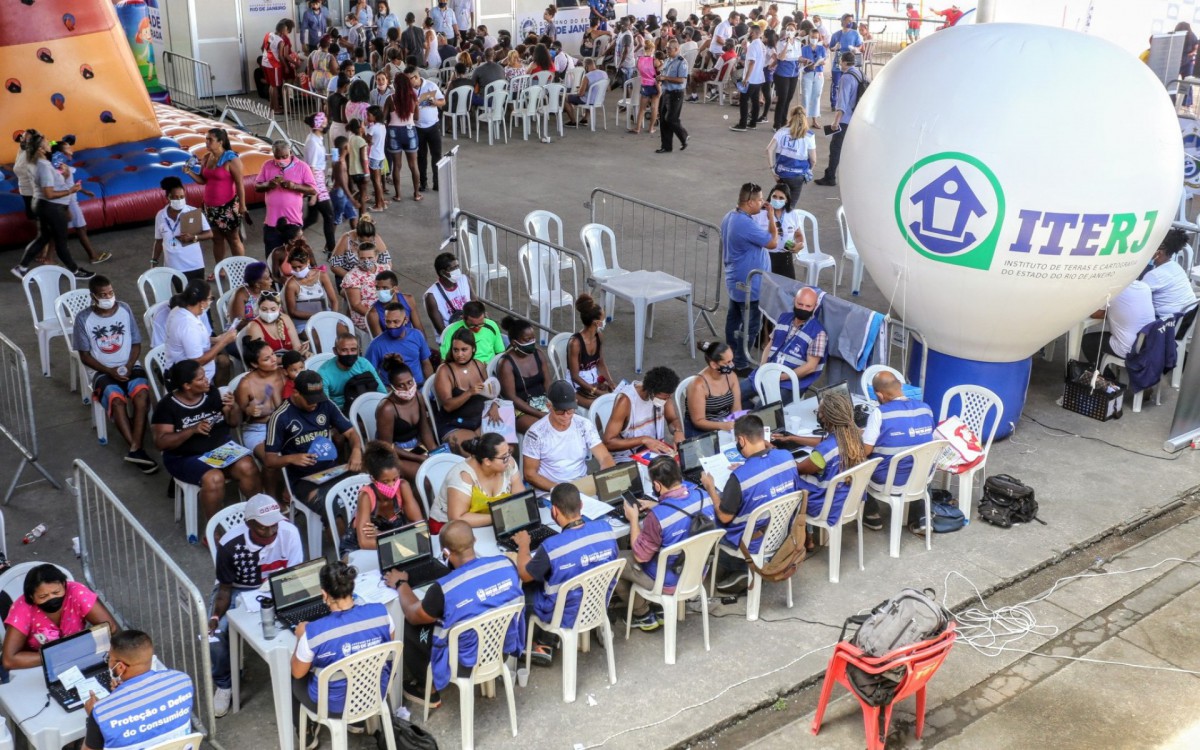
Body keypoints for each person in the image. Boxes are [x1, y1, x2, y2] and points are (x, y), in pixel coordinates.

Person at [387, 520, 521, 707]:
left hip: (463, 662)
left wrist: (401, 584)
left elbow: (412, 613)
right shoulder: (506, 564)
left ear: (445, 553)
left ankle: (428, 688)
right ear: (474, 540)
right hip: (501, 648)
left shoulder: (443, 589)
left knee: (408, 624)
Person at [208, 493, 304, 716]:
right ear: (249, 524)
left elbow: (294, 575)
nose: (271, 532)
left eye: (274, 525)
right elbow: (224, 589)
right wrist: (214, 617)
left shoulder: (289, 532)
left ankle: (298, 670)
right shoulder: (229, 545)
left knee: (297, 619)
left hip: (279, 584)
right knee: (217, 631)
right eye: (264, 528)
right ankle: (224, 684)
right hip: (238, 588)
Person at [289, 562, 392, 748]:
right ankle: (358, 722)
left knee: (295, 677)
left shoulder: (313, 633)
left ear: (324, 594)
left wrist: (299, 637)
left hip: (334, 705)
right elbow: (388, 645)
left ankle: (306, 734)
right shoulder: (381, 613)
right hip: (376, 691)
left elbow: (297, 672)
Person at [514, 482, 618, 664]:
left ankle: (537, 644)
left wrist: (523, 545)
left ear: (554, 511)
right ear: (582, 506)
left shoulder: (551, 547)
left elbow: (525, 574)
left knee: (522, 590)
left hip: (562, 614)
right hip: (597, 604)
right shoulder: (606, 530)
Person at [152, 357, 261, 524]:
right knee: (214, 478)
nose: (206, 381)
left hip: (219, 449)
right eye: (201, 378)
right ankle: (214, 529)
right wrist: (192, 430)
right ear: (187, 386)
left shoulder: (211, 392)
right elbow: (161, 442)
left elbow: (233, 422)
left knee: (248, 466)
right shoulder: (167, 406)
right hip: (185, 457)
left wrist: (234, 407)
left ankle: (258, 516)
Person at [614, 456, 713, 631]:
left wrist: (634, 520)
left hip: (668, 581)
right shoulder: (703, 495)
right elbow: (681, 511)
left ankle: (642, 614)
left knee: (615, 562)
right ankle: (658, 609)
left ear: (657, 486)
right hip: (698, 572)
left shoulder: (657, 517)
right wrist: (657, 505)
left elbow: (640, 556)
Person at [703, 414, 799, 592]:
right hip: (783, 532)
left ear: (741, 440)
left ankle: (740, 568)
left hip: (751, 542)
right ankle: (746, 569)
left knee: (708, 520)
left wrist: (710, 488)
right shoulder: (787, 457)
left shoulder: (739, 478)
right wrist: (748, 466)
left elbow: (724, 517)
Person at [73, 275, 158, 472]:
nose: (108, 297)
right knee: (116, 400)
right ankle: (137, 448)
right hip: (101, 371)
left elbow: (136, 343)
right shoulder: (83, 318)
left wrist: (129, 365)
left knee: (142, 395)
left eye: (110, 293)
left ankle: (135, 449)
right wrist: (108, 370)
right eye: (103, 295)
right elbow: (85, 356)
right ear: (93, 296)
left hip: (129, 365)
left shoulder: (125, 309)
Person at [265, 369, 364, 515]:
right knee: (333, 510)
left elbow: (351, 432)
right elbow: (269, 460)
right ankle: (343, 538)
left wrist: (356, 450)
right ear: (296, 393)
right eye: (310, 400)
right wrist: (292, 458)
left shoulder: (325, 404)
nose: (315, 404)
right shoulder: (280, 417)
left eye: (318, 398)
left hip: (333, 470)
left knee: (368, 492)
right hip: (302, 480)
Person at [83, 630, 194, 750]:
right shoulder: (182, 681)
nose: (108, 662)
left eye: (109, 658)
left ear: (120, 666)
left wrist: (93, 716)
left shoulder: (102, 712)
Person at [2, 564, 118, 670]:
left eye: (56, 592)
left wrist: (81, 648)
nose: (51, 598)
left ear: (64, 585)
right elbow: (9, 660)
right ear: (31, 596)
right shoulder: (22, 609)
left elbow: (110, 627)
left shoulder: (76, 592)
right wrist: (57, 655)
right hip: (37, 665)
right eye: (43, 596)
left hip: (78, 656)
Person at [12, 130, 94, 279]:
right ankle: (75, 272)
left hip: (41, 204)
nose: (49, 143)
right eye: (46, 142)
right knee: (61, 241)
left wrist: (62, 175)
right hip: (52, 207)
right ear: (40, 148)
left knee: (43, 238)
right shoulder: (43, 165)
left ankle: (22, 267)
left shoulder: (33, 161)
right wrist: (71, 190)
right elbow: (49, 193)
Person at [861, 371, 935, 529]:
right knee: (918, 456)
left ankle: (871, 514)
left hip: (890, 481)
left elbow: (864, 452)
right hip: (922, 478)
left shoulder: (879, 413)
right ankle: (920, 517)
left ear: (879, 395)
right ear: (900, 386)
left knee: (856, 462)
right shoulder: (925, 408)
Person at [722, 183, 779, 374]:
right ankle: (741, 363)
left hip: (735, 278)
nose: (763, 202)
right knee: (750, 324)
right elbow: (772, 242)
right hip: (749, 284)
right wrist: (771, 218)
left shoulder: (731, 216)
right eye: (760, 199)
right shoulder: (744, 223)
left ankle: (728, 356)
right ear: (750, 202)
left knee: (734, 318)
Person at [523, 380, 615, 494]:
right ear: (549, 406)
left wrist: (607, 475)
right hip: (551, 490)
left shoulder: (584, 425)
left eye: (570, 410)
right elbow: (530, 474)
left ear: (575, 403)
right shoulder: (535, 434)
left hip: (581, 485)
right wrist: (560, 490)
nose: (566, 416)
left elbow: (605, 457)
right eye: (560, 411)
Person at [795, 390, 869, 531]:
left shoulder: (824, 451)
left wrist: (782, 456)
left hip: (825, 507)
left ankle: (801, 536)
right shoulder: (856, 438)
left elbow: (799, 469)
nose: (818, 415)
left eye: (819, 412)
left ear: (827, 418)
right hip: (849, 500)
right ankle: (808, 537)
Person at [742, 287, 826, 405]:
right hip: (769, 371)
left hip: (791, 383)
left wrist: (782, 377)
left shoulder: (818, 332)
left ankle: (753, 417)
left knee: (764, 410)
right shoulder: (784, 318)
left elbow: (811, 366)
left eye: (808, 306)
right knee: (734, 395)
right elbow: (770, 345)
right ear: (794, 301)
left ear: (815, 306)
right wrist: (763, 367)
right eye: (800, 304)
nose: (803, 308)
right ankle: (744, 416)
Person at [342, 442, 422, 554]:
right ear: (374, 480)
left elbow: (419, 525)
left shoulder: (403, 487)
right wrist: (402, 541)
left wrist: (381, 535)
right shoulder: (365, 497)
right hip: (359, 548)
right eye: (385, 482)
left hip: (389, 544)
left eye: (395, 479)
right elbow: (365, 543)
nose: (392, 485)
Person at [182, 128, 248, 265]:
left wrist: (242, 205)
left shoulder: (231, 160)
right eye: (206, 139)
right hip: (209, 207)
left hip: (227, 206)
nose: (206, 142)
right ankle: (221, 269)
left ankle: (241, 268)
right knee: (216, 239)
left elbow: (239, 183)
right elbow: (203, 180)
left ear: (220, 142)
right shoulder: (206, 158)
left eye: (210, 139)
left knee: (233, 238)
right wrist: (189, 172)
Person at [431, 432, 521, 531]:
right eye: (504, 457)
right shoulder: (463, 476)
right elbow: (457, 518)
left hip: (492, 524)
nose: (509, 459)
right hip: (450, 530)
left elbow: (520, 498)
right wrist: (499, 517)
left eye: (509, 452)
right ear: (487, 461)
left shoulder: (509, 464)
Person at [234, 339, 286, 495]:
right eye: (266, 358)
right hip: (258, 430)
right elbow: (237, 420)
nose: (273, 360)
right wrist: (247, 411)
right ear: (254, 364)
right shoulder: (245, 384)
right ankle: (270, 498)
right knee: (271, 460)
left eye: (273, 355)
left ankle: (289, 490)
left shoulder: (283, 373)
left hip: (284, 425)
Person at [603, 367, 685, 461]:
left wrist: (678, 431)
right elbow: (608, 442)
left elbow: (672, 419)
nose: (668, 399)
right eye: (665, 396)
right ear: (651, 391)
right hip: (627, 457)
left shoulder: (664, 394)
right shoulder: (626, 401)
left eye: (669, 396)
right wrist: (643, 440)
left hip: (655, 452)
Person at [375, 360, 438, 480]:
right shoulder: (387, 409)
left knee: (439, 469)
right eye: (401, 385)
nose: (407, 388)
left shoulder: (418, 396)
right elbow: (387, 446)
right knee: (426, 479)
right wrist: (419, 458)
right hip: (394, 454)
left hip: (416, 446)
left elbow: (425, 430)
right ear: (391, 387)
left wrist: (434, 452)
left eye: (409, 382)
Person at [165, 279, 237, 384]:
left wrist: (216, 340)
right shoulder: (188, 325)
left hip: (192, 375)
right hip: (189, 383)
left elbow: (192, 341)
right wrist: (224, 342)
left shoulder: (182, 310)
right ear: (202, 302)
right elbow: (197, 361)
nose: (210, 302)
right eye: (210, 299)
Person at [256, 140, 319, 253]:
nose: (281, 160)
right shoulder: (267, 165)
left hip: (293, 223)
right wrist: (268, 185)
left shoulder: (302, 167)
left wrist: (294, 186)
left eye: (284, 156)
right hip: (272, 223)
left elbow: (313, 190)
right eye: (278, 157)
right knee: (272, 256)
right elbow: (257, 186)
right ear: (273, 154)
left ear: (290, 152)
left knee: (294, 257)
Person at [432, 328, 489, 447]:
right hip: (455, 424)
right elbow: (448, 406)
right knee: (475, 451)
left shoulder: (479, 365)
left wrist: (493, 406)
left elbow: (490, 393)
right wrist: (469, 393)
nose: (459, 354)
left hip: (479, 420)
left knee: (503, 445)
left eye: (464, 350)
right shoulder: (445, 370)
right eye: (455, 350)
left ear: (473, 348)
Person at [496, 316, 552, 433]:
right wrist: (539, 413)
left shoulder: (539, 354)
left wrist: (552, 402)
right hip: (520, 410)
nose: (532, 342)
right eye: (527, 340)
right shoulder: (506, 364)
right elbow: (511, 397)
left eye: (533, 338)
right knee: (543, 430)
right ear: (514, 343)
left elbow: (547, 382)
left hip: (543, 403)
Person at [815, 52, 862, 187]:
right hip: (857, 118)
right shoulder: (860, 74)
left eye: (841, 61)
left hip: (845, 120)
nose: (839, 63)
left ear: (846, 63)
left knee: (836, 148)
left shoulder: (846, 78)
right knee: (850, 149)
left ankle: (830, 177)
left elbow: (842, 103)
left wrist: (836, 122)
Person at [1082, 280, 1157, 365]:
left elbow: (1095, 315)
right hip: (1149, 343)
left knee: (1087, 341)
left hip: (1128, 348)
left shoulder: (1113, 290)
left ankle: (1105, 376)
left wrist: (1113, 313)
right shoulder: (1145, 287)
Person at [152, 176, 211, 282]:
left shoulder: (192, 212)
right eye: (175, 197)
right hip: (173, 267)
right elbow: (159, 240)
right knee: (182, 295)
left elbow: (210, 233)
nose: (179, 200)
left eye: (182, 197)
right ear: (167, 197)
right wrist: (154, 261)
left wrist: (194, 237)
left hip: (194, 265)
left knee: (197, 296)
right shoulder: (160, 216)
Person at [366, 302, 433, 385]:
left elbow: (426, 363)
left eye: (396, 322)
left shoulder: (417, 335)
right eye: (388, 322)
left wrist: (430, 386)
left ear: (406, 320)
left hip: (419, 387)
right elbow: (369, 373)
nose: (391, 326)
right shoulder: (376, 345)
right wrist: (384, 390)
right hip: (393, 392)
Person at [567, 294, 615, 408]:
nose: (604, 322)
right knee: (602, 407)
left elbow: (600, 362)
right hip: (576, 387)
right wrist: (596, 392)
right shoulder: (575, 343)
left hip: (593, 381)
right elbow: (575, 377)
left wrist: (611, 381)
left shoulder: (599, 336)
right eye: (602, 319)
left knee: (621, 398)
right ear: (596, 323)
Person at [317, 332, 387, 411]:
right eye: (344, 350)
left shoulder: (364, 364)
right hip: (340, 411)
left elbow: (382, 393)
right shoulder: (324, 373)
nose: (349, 354)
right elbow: (324, 405)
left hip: (366, 406)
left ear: (359, 350)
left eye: (353, 350)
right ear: (335, 351)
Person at [686, 341, 741, 436]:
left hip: (725, 423)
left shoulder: (731, 377)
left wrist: (735, 422)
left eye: (732, 360)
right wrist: (722, 426)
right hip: (701, 430)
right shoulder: (698, 385)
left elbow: (736, 409)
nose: (732, 365)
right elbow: (698, 421)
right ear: (714, 365)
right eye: (728, 362)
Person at [282, 242, 338, 335]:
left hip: (325, 316)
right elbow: (292, 312)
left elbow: (334, 301)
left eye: (300, 267)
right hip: (304, 323)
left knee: (343, 334)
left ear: (308, 262)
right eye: (294, 267)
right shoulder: (291, 285)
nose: (297, 270)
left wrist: (333, 318)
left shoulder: (321, 275)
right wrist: (317, 316)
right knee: (319, 339)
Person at [767, 106, 816, 210]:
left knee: (778, 201)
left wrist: (772, 170)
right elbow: (813, 159)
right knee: (790, 206)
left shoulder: (781, 131)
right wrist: (809, 170)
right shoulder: (809, 135)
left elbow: (769, 149)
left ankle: (774, 220)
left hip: (781, 173)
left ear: (791, 116)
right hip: (798, 176)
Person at [384, 70, 422, 203]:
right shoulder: (413, 97)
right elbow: (416, 117)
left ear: (396, 85)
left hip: (394, 132)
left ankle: (398, 195)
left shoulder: (390, 98)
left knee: (397, 166)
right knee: (413, 165)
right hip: (410, 131)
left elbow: (384, 117)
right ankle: (416, 194)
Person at [756, 182, 806, 278]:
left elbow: (798, 234)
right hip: (766, 257)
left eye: (781, 198)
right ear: (770, 197)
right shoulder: (759, 214)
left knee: (787, 290)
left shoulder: (792, 214)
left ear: (787, 200)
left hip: (785, 257)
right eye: (774, 196)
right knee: (767, 289)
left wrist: (800, 244)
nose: (777, 200)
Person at [1143, 229, 1197, 317]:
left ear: (1158, 253)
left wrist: (1147, 263)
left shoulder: (1154, 275)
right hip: (1188, 319)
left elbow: (1137, 292)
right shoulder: (1176, 267)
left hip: (1168, 324)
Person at [424, 252, 475, 345]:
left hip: (472, 330)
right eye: (453, 268)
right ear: (442, 272)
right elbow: (441, 330)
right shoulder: (431, 296)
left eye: (458, 266)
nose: (457, 270)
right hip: (451, 339)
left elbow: (476, 306)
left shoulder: (464, 280)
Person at [411, 65, 446, 193]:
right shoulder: (409, 90)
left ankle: (437, 182)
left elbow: (443, 101)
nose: (409, 83)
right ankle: (423, 182)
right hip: (417, 127)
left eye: (410, 79)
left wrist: (435, 102)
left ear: (416, 77)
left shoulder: (431, 86)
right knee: (421, 156)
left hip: (433, 126)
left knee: (436, 155)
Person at [244, 289, 307, 358]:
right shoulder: (254, 326)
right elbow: (264, 359)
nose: (269, 313)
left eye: (273, 309)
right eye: (264, 309)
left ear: (279, 308)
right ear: (258, 308)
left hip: (292, 362)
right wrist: (292, 358)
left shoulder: (285, 319)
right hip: (273, 366)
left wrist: (305, 352)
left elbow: (297, 347)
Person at [439, 300, 505, 363]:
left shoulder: (491, 325)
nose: (477, 329)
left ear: (484, 316)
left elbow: (500, 352)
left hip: (490, 368)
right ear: (463, 318)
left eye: (481, 324)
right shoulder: (452, 331)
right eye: (472, 326)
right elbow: (445, 360)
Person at [330, 214, 391, 281]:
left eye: (370, 241)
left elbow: (387, 262)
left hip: (372, 276)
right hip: (348, 275)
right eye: (362, 241)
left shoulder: (377, 239)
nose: (367, 243)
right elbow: (334, 266)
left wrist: (377, 278)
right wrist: (354, 278)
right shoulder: (346, 239)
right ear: (357, 234)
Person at [343, 242, 388, 333]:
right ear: (358, 258)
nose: (366, 261)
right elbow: (356, 305)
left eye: (370, 257)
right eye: (362, 258)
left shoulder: (385, 269)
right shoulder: (352, 276)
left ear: (376, 257)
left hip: (386, 311)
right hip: (365, 315)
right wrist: (379, 316)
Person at [729, 24, 767, 132]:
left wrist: (746, 79)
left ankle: (742, 124)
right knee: (755, 101)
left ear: (754, 33)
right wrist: (746, 48)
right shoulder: (761, 44)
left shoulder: (754, 45)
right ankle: (752, 123)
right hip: (759, 78)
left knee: (744, 100)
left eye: (749, 32)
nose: (748, 34)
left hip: (752, 78)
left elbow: (752, 62)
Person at [656, 38, 690, 153]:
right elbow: (664, 73)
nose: (667, 50)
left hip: (676, 94)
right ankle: (666, 146)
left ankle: (683, 135)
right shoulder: (667, 60)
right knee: (663, 120)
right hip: (665, 92)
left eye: (669, 49)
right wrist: (660, 78)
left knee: (671, 118)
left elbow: (681, 79)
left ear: (676, 49)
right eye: (666, 48)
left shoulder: (682, 62)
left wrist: (665, 78)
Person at [771, 22, 803, 130]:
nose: (790, 31)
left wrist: (806, 61)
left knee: (788, 98)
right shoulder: (781, 42)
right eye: (788, 29)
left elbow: (798, 56)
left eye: (792, 29)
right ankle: (777, 124)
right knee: (782, 98)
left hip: (794, 74)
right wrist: (787, 45)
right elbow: (781, 57)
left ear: (795, 31)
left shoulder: (798, 42)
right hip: (782, 74)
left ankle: (784, 120)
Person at [829, 14, 862, 110]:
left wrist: (855, 49)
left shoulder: (855, 34)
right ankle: (834, 103)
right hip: (838, 61)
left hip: (850, 61)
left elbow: (860, 45)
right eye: (848, 20)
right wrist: (835, 47)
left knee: (850, 82)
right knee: (836, 82)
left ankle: (848, 103)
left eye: (851, 21)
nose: (850, 23)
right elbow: (831, 48)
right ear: (842, 21)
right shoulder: (836, 35)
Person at [227, 261, 273, 326]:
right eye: (268, 279)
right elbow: (238, 324)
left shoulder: (268, 291)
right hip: (242, 332)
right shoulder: (241, 294)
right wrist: (262, 323)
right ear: (257, 284)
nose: (271, 280)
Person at [564, 58, 606, 127]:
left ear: (586, 66)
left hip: (587, 100)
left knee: (565, 98)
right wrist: (586, 88)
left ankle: (573, 121)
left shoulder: (587, 76)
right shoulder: (604, 74)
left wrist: (578, 91)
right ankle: (585, 119)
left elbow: (581, 94)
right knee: (589, 95)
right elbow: (606, 88)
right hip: (599, 100)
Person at [800, 25, 827, 131]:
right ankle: (803, 120)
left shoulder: (821, 48)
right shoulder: (804, 48)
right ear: (809, 37)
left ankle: (814, 119)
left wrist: (819, 62)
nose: (814, 39)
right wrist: (806, 61)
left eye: (816, 37)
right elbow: (800, 59)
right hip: (808, 73)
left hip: (818, 73)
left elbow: (824, 60)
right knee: (806, 96)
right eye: (812, 37)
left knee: (816, 96)